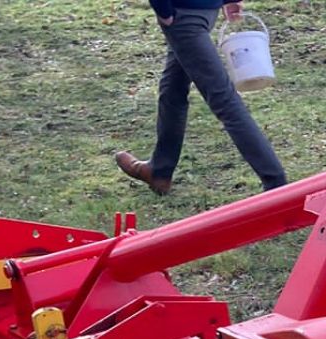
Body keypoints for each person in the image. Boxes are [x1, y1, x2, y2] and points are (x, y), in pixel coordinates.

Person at [115, 1, 286, 197]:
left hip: (183, 14)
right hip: (204, 9)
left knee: (224, 99)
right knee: (173, 87)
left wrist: (163, 10)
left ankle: (276, 185)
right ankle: (159, 171)